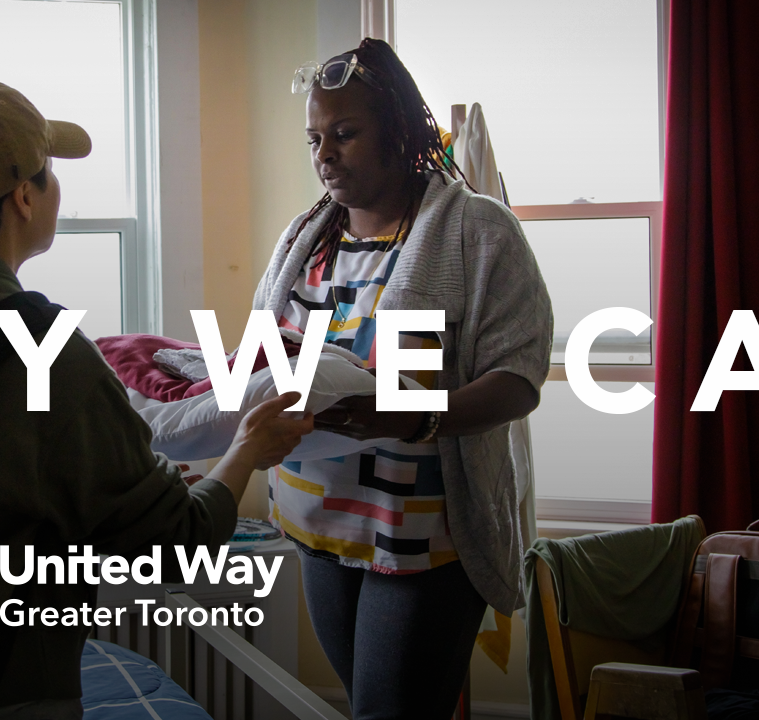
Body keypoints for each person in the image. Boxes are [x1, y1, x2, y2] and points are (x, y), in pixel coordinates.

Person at [0, 79, 317, 720]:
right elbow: (175, 543)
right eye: (49, 174)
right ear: (24, 197)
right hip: (4, 690)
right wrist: (245, 451)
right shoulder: (48, 355)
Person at [258, 40, 553, 720]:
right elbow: (267, 359)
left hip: (421, 542)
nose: (324, 154)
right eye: (313, 139)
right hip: (318, 527)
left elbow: (517, 377)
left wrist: (413, 417)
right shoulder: (303, 239)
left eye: (344, 134)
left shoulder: (475, 231)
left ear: (397, 130)